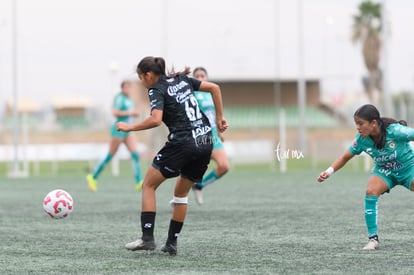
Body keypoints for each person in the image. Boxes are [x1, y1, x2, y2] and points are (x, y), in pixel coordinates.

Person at [116, 56, 227, 256]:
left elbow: (156, 119)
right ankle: (171, 243)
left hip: (182, 143)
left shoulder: (155, 88)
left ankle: (147, 238)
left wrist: (130, 127)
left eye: (141, 77)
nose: (142, 82)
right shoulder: (181, 79)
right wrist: (219, 119)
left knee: (148, 185)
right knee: (181, 194)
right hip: (204, 142)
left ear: (148, 75)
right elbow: (215, 88)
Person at [317, 104, 412, 250]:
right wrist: (328, 172)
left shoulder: (395, 131)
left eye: (360, 123)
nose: (358, 127)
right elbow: (345, 157)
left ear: (373, 123)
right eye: (356, 124)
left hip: (408, 168)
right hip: (384, 171)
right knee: (370, 191)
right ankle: (373, 239)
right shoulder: (361, 140)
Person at [87, 80, 144, 192]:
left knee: (135, 154)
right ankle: (93, 177)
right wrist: (130, 113)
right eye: (125, 88)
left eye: (129, 87)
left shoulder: (129, 99)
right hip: (119, 129)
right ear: (122, 88)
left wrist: (134, 113)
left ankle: (139, 181)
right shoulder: (119, 98)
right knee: (110, 155)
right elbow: (115, 112)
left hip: (128, 129)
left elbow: (130, 113)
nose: (127, 90)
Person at [191, 67, 229, 205]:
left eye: (203, 76)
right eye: (197, 76)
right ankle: (178, 198)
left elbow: (216, 115)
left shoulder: (212, 92)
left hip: (213, 136)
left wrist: (219, 133)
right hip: (199, 137)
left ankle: (199, 186)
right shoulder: (191, 94)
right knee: (189, 170)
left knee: (224, 166)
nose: (200, 78)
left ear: (207, 77)